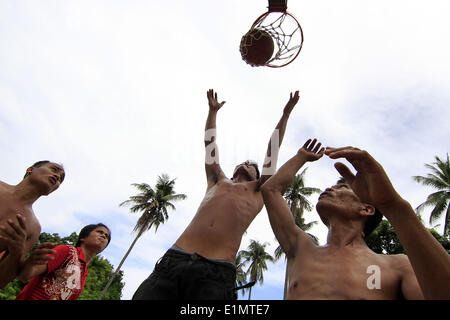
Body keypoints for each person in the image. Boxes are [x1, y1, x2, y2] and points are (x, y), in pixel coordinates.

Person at [132, 89, 300, 300]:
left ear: (256, 176)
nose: (246, 163)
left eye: (251, 165)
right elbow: (209, 144)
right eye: (244, 161)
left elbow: (272, 148)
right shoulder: (217, 180)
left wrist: (285, 114)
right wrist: (212, 112)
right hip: (174, 260)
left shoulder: (259, 190)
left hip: (215, 272)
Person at [261, 139, 450, 299]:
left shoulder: (396, 266)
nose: (329, 189)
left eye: (341, 188)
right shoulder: (302, 249)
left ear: (366, 209)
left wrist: (393, 206)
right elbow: (270, 190)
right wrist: (300, 156)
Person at [0, 160, 65, 289]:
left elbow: (2, 281)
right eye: (54, 169)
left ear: (50, 192)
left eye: (60, 179)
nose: (57, 177)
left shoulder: (33, 227)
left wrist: (16, 253)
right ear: (30, 169)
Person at [15, 223, 111, 300]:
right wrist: (30, 264)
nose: (103, 236)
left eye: (106, 236)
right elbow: (24, 275)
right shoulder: (67, 251)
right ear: (83, 238)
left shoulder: (85, 272)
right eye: (100, 232)